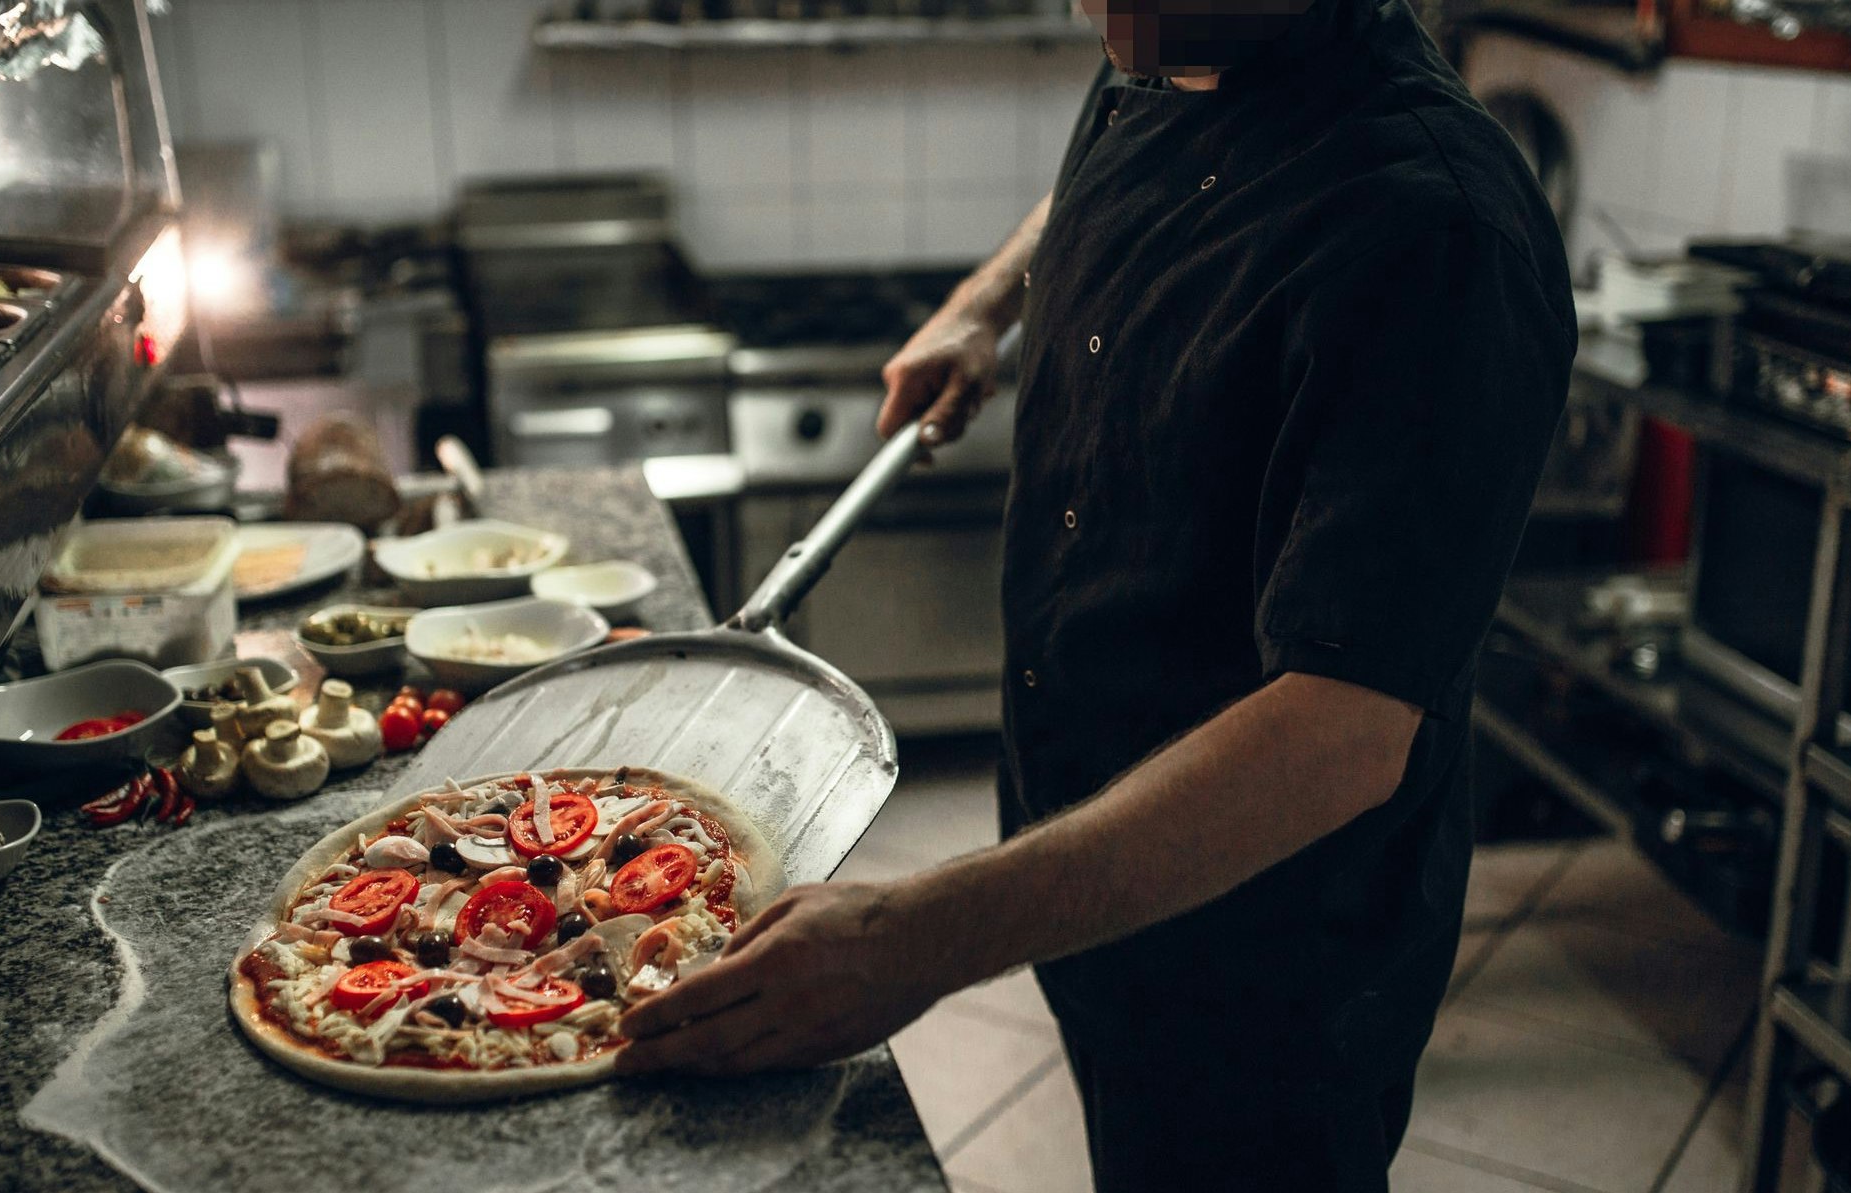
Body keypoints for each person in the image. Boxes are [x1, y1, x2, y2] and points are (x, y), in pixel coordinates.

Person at [617, 0, 1577, 1184]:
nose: (1096, 7)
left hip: (1259, 967)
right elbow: (1119, 146)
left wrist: (918, 936)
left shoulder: (1439, 237)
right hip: (1090, 880)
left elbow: (1342, 731)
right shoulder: (1182, 47)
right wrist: (987, 303)